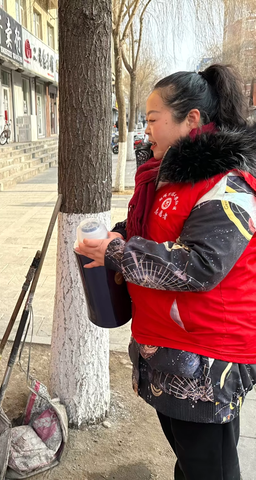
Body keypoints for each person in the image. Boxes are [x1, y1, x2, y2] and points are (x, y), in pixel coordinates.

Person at [77, 64, 256, 480]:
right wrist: (117, 236)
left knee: (208, 469)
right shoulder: (166, 178)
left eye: (153, 119)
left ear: (190, 119)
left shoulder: (230, 183)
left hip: (209, 353)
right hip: (170, 347)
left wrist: (118, 252)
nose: (146, 129)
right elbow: (154, 232)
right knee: (190, 460)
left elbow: (200, 265)